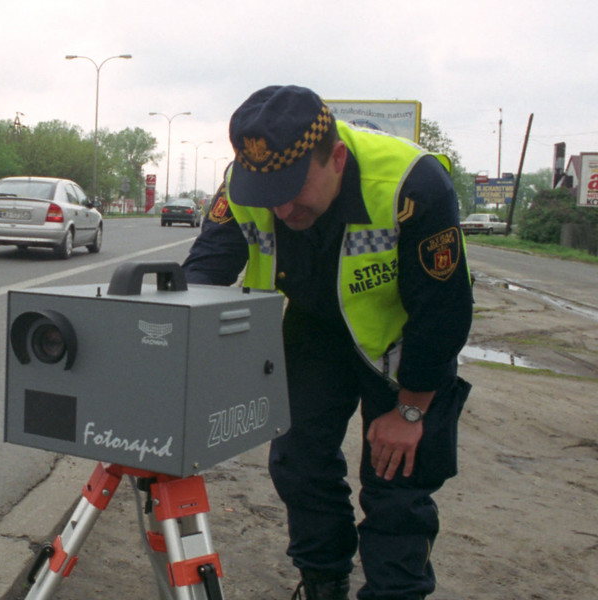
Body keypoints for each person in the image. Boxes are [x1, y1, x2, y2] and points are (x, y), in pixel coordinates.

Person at [183, 85, 472, 600]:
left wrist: (410, 411)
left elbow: (444, 312)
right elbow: (205, 270)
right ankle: (323, 581)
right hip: (314, 333)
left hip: (403, 347)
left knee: (396, 488)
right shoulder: (244, 190)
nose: (282, 205)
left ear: (336, 157)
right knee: (297, 461)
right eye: (267, 190)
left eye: (294, 187)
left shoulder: (412, 184)